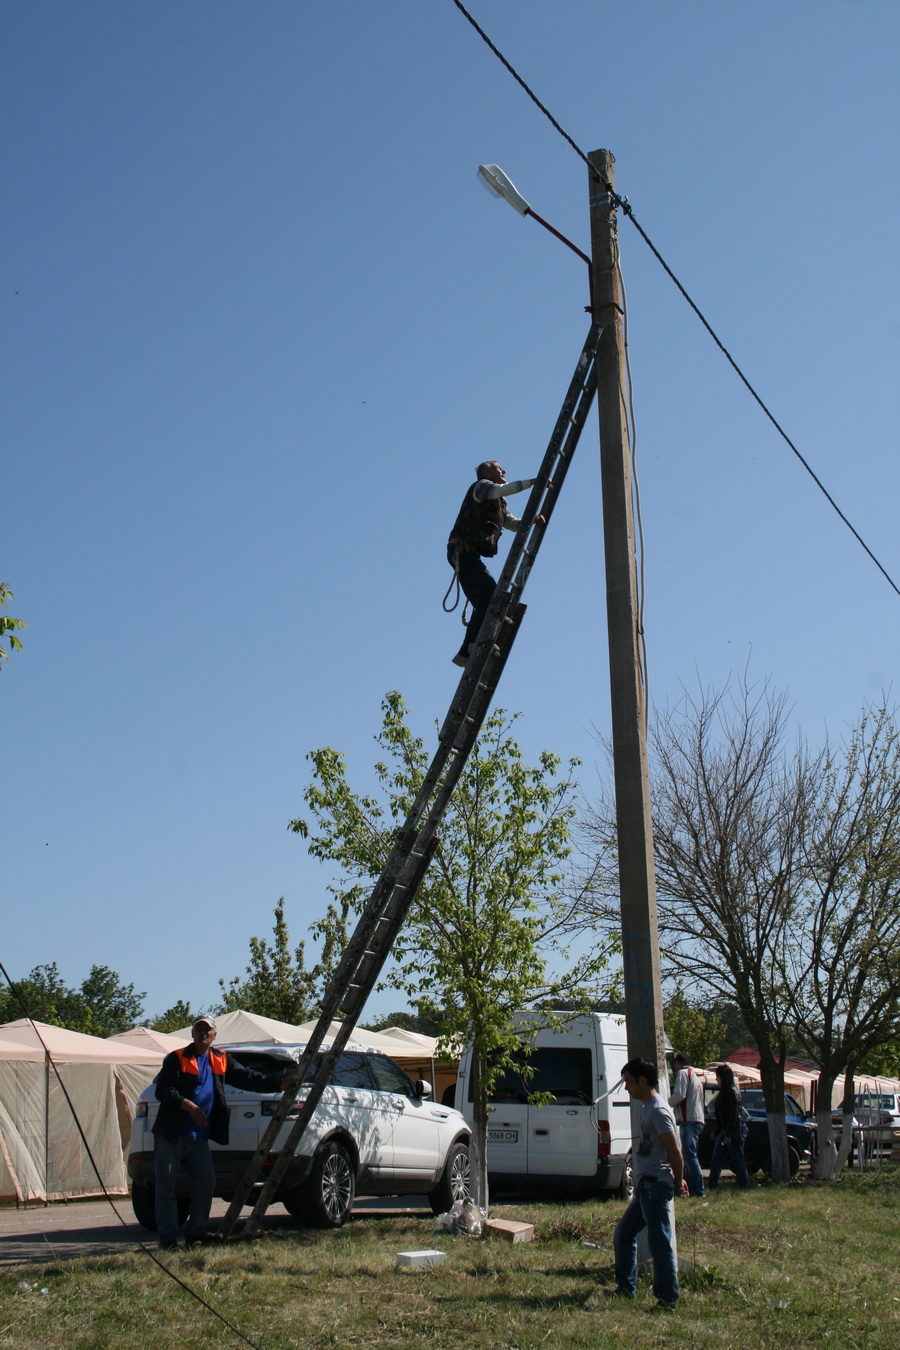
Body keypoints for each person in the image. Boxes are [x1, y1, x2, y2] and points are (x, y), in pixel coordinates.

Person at [152, 1014, 291, 1250]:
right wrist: (190, 1106)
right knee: (166, 1186)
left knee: (206, 1182)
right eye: (198, 1029)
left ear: (215, 1035)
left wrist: (279, 1084)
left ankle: (196, 1232)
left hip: (198, 1137)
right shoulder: (177, 1058)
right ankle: (167, 1240)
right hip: (172, 1133)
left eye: (207, 1029)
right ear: (192, 1033)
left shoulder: (220, 1058)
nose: (203, 1033)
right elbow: (163, 1092)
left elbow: (248, 1077)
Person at [446, 461, 542, 667]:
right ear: (488, 472)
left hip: (469, 554)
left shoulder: (499, 502)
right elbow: (504, 489)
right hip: (462, 551)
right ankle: (471, 646)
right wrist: (535, 482)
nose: (504, 471)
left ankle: (466, 651)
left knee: (485, 601)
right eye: (500, 468)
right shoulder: (481, 487)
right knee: (490, 596)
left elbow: (514, 524)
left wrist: (534, 519)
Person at [612, 1057, 689, 1312]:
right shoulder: (647, 1107)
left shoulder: (658, 1110)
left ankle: (668, 1300)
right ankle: (625, 1290)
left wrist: (679, 1182)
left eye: (630, 1083)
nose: (627, 1088)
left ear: (643, 1081)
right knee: (624, 1234)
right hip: (646, 1187)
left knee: (660, 1244)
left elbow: (674, 1151)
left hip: (656, 1187)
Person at [707, 1062, 749, 1191]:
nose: (716, 1079)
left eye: (717, 1076)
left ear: (723, 1077)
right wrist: (718, 1130)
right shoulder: (723, 1092)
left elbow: (734, 1115)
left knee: (738, 1159)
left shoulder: (732, 1091)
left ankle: (744, 1187)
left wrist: (729, 1134)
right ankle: (712, 1186)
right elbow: (722, 1116)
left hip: (735, 1130)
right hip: (725, 1130)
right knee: (716, 1158)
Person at [669, 1052, 706, 1197]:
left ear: (678, 1064)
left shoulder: (683, 1074)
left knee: (689, 1156)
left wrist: (665, 1104)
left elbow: (679, 1095)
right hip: (698, 1119)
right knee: (691, 1155)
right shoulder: (695, 1076)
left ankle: (698, 1190)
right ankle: (691, 1188)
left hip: (688, 1120)